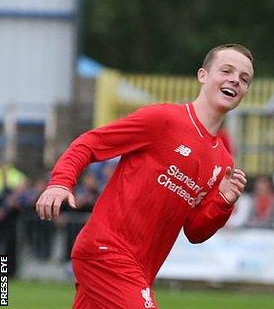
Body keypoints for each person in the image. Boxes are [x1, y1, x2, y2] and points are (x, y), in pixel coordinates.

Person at [35, 43, 253, 308]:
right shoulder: (163, 119)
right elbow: (89, 144)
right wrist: (60, 182)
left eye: (244, 79)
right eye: (226, 71)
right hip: (106, 252)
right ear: (202, 75)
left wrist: (222, 201)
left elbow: (195, 231)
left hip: (140, 271)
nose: (235, 80)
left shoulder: (223, 160)